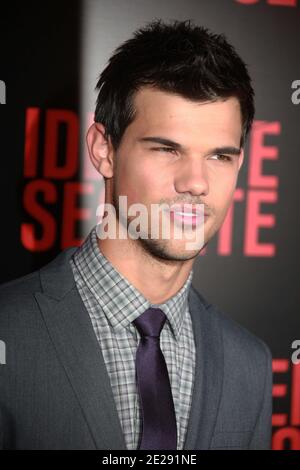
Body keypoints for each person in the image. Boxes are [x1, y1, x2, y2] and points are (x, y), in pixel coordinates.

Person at [0, 19, 272, 450]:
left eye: (220, 156)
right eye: (167, 149)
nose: (197, 182)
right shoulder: (8, 333)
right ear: (103, 150)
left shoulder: (250, 364)